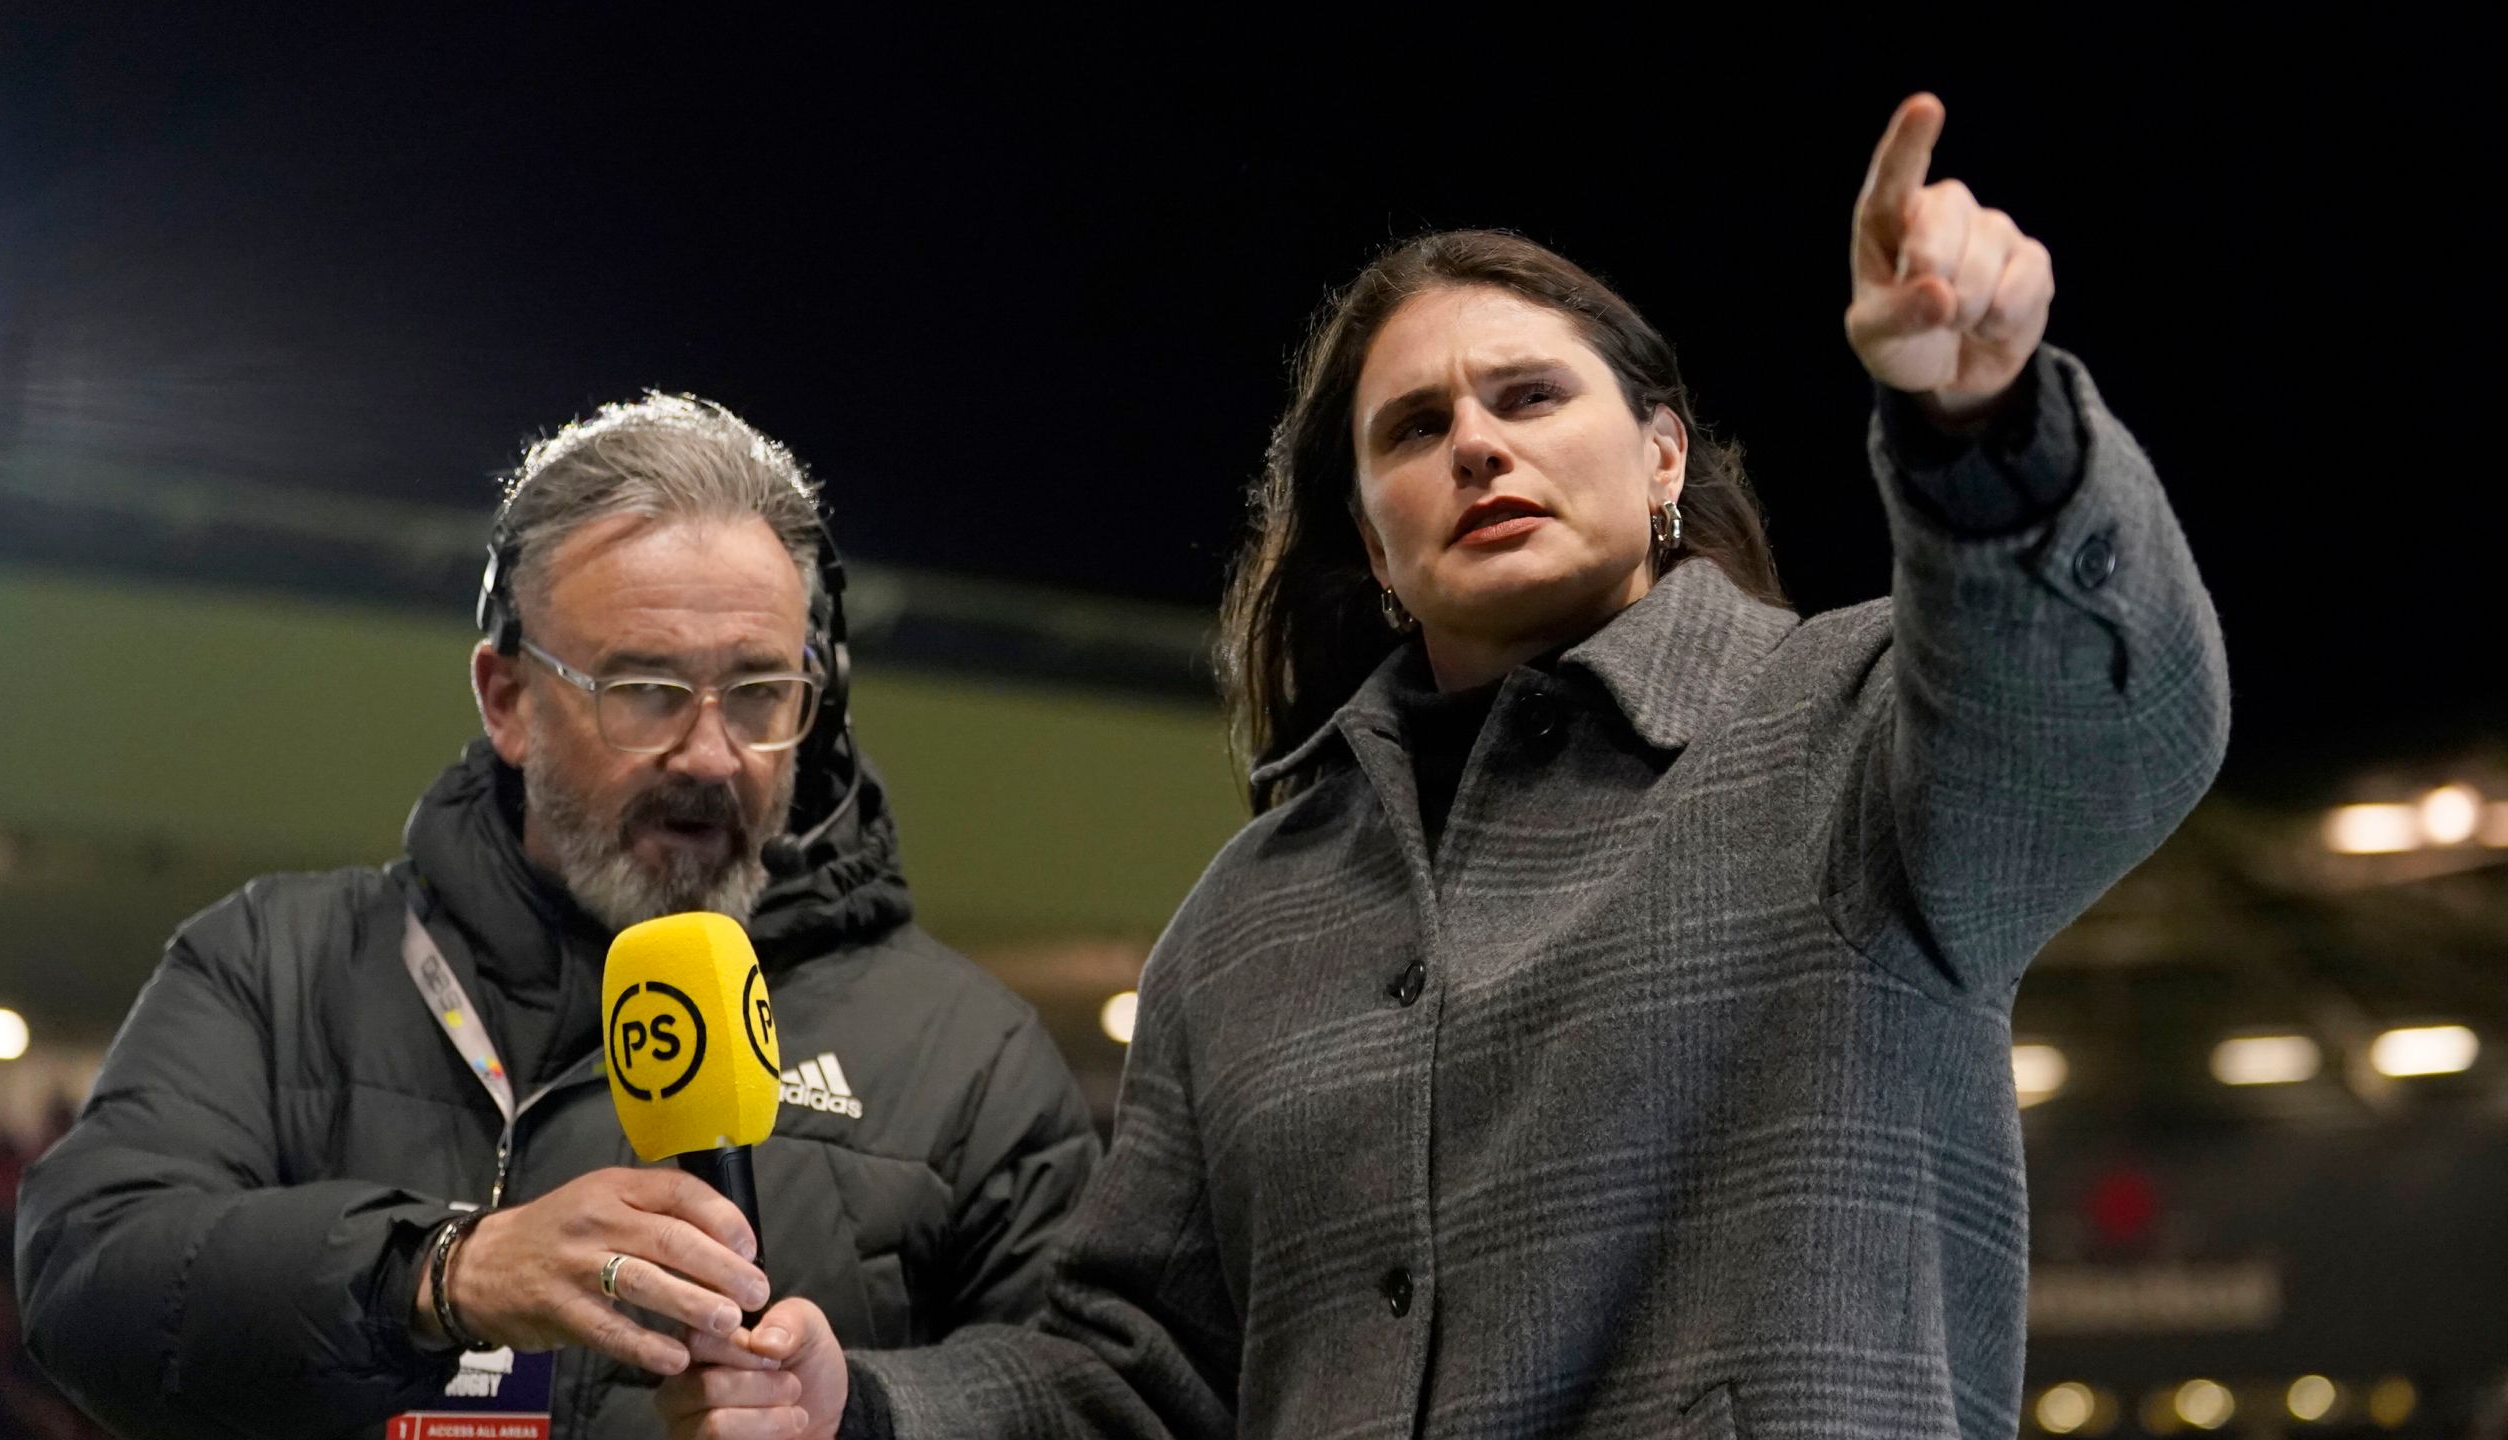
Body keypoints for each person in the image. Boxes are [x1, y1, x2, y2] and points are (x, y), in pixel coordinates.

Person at [661, 94, 2231, 1440]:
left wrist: (1989, 424)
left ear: (1663, 455)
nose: (1477, 443)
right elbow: (1132, 1376)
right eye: (1414, 429)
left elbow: (2115, 731)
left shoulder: (1847, 729)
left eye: (1531, 395)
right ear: (1374, 545)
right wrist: (860, 1405)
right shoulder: (1248, 913)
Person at [13, 395, 1100, 1440]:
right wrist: (444, 1272)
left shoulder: (971, 1056)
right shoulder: (275, 966)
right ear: (507, 699)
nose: (712, 755)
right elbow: (90, 1280)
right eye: (646, 689)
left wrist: (866, 1414)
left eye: (762, 692)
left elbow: (1097, 1397)